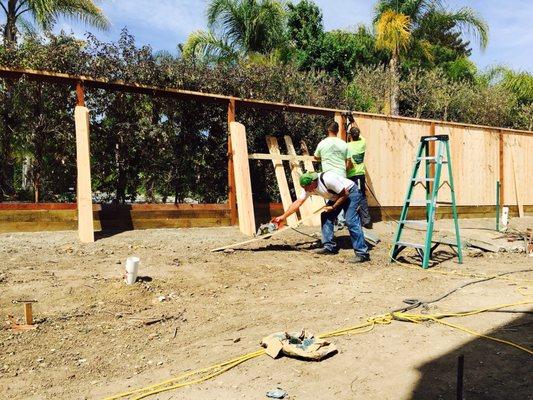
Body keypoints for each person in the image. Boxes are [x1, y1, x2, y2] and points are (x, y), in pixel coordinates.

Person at [273, 171, 370, 263]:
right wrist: (283, 216)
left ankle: (362, 254)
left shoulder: (328, 179)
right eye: (304, 188)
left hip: (350, 193)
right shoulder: (309, 187)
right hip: (336, 196)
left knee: (350, 220)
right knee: (326, 216)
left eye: (307, 187)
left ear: (313, 182)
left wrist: (333, 207)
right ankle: (329, 247)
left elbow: (345, 194)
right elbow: (298, 203)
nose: (306, 190)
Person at [346, 126, 372, 228]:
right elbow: (360, 136)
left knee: (353, 196)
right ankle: (365, 220)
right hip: (360, 175)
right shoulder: (363, 143)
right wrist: (353, 122)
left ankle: (362, 220)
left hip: (350, 175)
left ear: (350, 136)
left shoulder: (347, 146)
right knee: (361, 196)